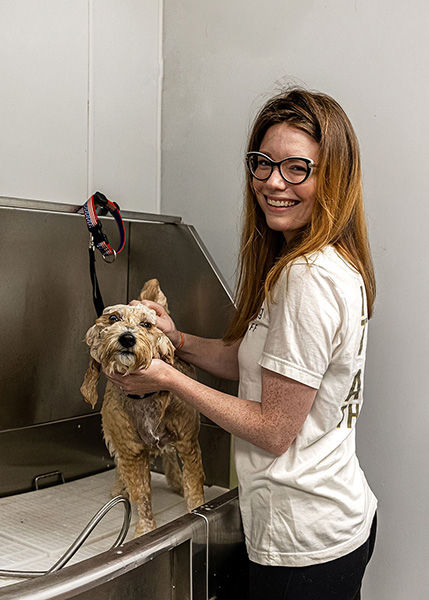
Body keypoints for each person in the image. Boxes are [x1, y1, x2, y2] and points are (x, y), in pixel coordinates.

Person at [105, 87, 377, 599]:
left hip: (304, 539)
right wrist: (176, 339)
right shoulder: (331, 262)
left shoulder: (307, 278)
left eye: (298, 168)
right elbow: (250, 362)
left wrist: (165, 377)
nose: (274, 182)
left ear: (333, 177)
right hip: (338, 517)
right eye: (263, 163)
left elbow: (274, 429)